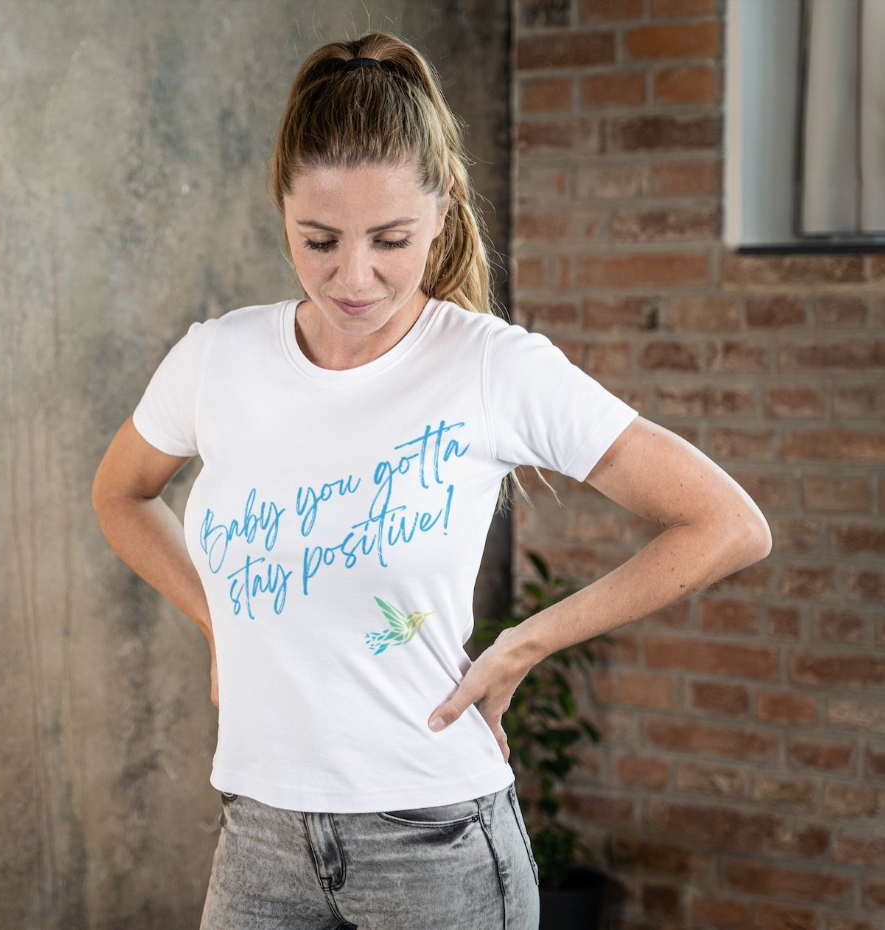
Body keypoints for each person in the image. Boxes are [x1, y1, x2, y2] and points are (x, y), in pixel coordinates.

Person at [91, 31, 772, 930]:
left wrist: (523, 645)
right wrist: (220, 618)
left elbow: (727, 524)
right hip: (258, 833)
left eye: (390, 239)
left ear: (442, 211)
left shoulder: (490, 367)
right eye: (319, 240)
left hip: (436, 845)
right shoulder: (216, 359)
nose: (354, 276)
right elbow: (121, 494)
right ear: (281, 211)